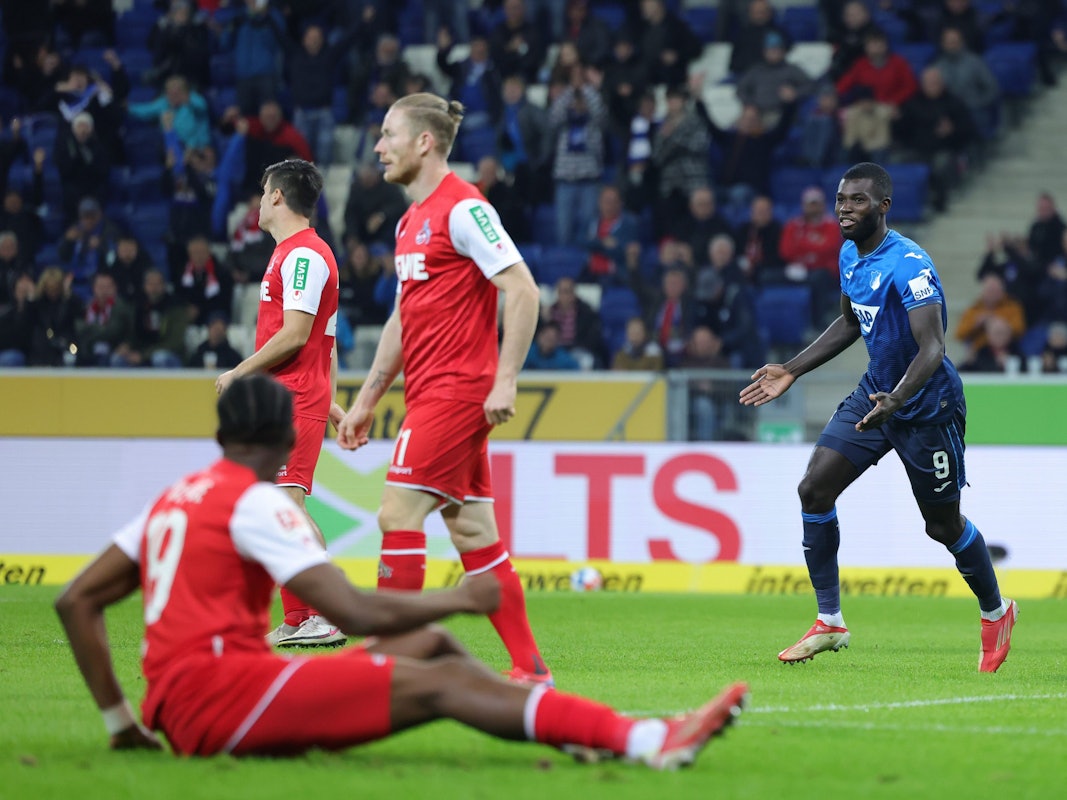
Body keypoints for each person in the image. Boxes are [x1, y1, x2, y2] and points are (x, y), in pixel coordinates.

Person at [54, 374, 747, 762]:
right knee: (440, 679)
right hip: (227, 698)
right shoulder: (261, 504)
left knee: (431, 651)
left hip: (189, 697)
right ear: (291, 434)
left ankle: (565, 728)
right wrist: (460, 596)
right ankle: (646, 739)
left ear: (220, 436)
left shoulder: (176, 498)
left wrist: (122, 723)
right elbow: (354, 614)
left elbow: (75, 601)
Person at [739, 162, 1018, 672]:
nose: (845, 208)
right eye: (842, 199)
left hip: (927, 404)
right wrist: (792, 370)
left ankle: (996, 611)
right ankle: (830, 621)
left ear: (884, 206)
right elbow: (851, 322)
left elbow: (932, 347)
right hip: (877, 394)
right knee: (814, 489)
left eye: (858, 200)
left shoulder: (910, 264)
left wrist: (899, 399)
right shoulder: (849, 253)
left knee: (941, 525)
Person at [336, 93, 553, 686]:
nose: (378, 147)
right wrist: (366, 399)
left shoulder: (463, 208)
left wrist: (505, 378)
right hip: (432, 392)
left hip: (458, 392)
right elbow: (402, 320)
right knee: (473, 531)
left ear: (424, 142)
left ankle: (390, 663)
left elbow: (524, 290)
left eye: (388, 134)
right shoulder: (409, 221)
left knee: (396, 512)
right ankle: (530, 669)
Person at [215, 159, 345, 648]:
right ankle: (299, 619)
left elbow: (296, 334)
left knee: (286, 504)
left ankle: (323, 613)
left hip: (292, 397)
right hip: (291, 398)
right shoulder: (296, 254)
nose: (257, 200)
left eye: (262, 190)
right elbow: (326, 340)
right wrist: (330, 403)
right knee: (277, 504)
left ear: (276, 197)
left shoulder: (305, 255)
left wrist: (238, 372)